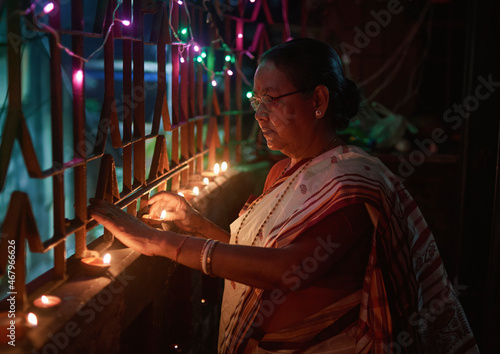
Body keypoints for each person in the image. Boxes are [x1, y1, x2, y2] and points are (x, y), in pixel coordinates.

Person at [89, 38, 478, 353]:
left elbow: (290, 269)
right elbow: (259, 257)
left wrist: (157, 242)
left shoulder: (350, 181)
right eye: (256, 101)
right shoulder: (282, 172)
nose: (259, 114)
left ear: (319, 101)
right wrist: (192, 221)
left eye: (272, 100)